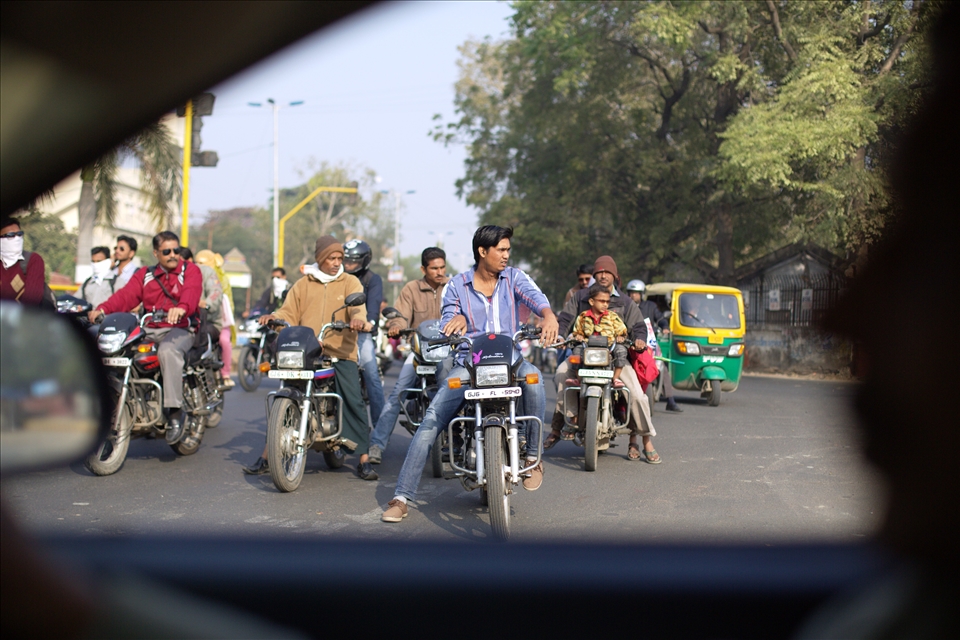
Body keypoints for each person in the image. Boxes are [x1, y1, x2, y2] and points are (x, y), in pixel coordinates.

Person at [382, 225, 559, 523]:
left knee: (536, 381)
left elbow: (534, 297)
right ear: (482, 251)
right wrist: (457, 319)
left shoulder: (514, 277)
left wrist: (549, 316)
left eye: (507, 250)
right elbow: (447, 319)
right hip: (469, 365)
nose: (506, 255)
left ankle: (532, 457)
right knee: (431, 421)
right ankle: (401, 497)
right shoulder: (457, 285)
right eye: (501, 250)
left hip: (511, 361)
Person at [246, 235, 378, 481]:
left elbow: (357, 308)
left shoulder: (350, 282)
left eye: (340, 258)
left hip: (339, 351)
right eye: (331, 258)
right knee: (285, 390)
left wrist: (358, 319)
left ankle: (363, 459)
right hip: (306, 351)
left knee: (353, 401)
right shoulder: (303, 284)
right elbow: (288, 311)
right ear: (320, 259)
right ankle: (267, 456)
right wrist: (274, 317)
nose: (337, 263)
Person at [87, 231, 202, 445]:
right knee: (121, 348)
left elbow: (192, 293)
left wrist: (181, 308)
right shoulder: (144, 274)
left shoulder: (190, 270)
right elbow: (125, 296)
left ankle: (175, 412)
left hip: (181, 328)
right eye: (166, 251)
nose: (173, 255)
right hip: (149, 328)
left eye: (176, 250)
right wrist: (103, 308)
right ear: (156, 253)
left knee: (167, 351)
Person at [547, 256, 661, 463]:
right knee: (561, 374)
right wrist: (562, 336)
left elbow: (638, 327)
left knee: (636, 394)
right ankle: (569, 420)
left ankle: (646, 440)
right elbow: (565, 319)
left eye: (607, 272)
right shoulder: (580, 297)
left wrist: (639, 340)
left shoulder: (625, 302)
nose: (603, 275)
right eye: (599, 272)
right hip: (583, 356)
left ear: (615, 276)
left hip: (615, 359)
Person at [367, 246, 448, 464]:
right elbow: (401, 315)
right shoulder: (411, 289)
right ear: (423, 268)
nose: (439, 272)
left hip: (449, 352)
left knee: (464, 390)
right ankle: (377, 445)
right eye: (434, 268)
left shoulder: (453, 287)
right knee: (397, 394)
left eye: (442, 267)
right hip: (419, 352)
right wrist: (396, 325)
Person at [342, 239, 385, 429]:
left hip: (361, 333)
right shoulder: (339, 277)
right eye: (346, 260)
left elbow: (374, 305)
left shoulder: (372, 279)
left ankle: (379, 428)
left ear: (365, 260)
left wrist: (370, 322)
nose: (349, 265)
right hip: (337, 331)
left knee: (372, 374)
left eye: (354, 261)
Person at [625, 279, 682, 412]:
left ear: (642, 294)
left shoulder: (650, 306)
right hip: (630, 344)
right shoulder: (625, 306)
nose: (633, 295)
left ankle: (670, 399)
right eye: (631, 293)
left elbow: (660, 319)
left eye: (636, 293)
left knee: (661, 365)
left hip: (650, 343)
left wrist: (665, 327)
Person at [570, 283, 629, 387]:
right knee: (576, 351)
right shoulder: (583, 317)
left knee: (621, 350)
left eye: (607, 302)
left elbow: (622, 331)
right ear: (592, 301)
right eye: (602, 301)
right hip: (588, 347)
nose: (605, 304)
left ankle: (616, 378)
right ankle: (578, 378)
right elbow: (577, 332)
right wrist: (578, 337)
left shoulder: (612, 316)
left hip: (609, 348)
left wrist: (621, 337)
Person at [1, 215, 55, 310]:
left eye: (19, 234)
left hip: (29, 321)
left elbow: (31, 302)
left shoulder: (33, 260)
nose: (17, 239)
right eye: (10, 235)